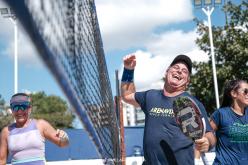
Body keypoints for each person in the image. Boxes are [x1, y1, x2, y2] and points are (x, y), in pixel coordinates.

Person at [121, 54, 216, 165]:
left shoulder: (191, 103)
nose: (179, 71)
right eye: (176, 68)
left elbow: (209, 134)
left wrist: (207, 142)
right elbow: (127, 95)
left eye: (185, 71)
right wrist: (128, 70)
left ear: (187, 82)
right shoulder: (150, 96)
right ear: (167, 72)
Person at [0, 93, 69, 165]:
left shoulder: (41, 125)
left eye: (23, 106)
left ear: (29, 108)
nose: (19, 111)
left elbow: (63, 144)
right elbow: (1, 161)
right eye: (15, 107)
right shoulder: (6, 132)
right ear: (12, 109)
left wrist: (64, 138)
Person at [210, 79, 248, 165]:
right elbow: (207, 134)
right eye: (246, 91)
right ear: (234, 93)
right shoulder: (221, 114)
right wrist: (206, 142)